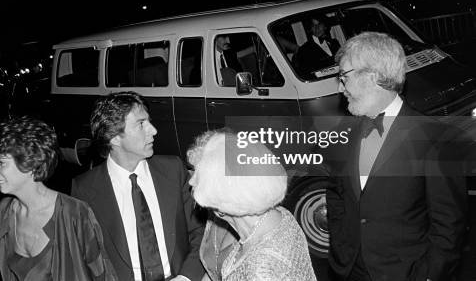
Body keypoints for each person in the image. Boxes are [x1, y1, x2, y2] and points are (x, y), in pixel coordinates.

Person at [327, 32, 467, 281]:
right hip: (348, 270)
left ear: (372, 76)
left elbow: (449, 228)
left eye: (344, 77)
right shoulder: (343, 132)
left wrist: (427, 276)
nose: (340, 87)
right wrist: (339, 247)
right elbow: (336, 194)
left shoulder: (435, 138)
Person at [71, 91, 205, 281]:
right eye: (141, 124)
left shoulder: (173, 170)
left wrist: (186, 277)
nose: (154, 130)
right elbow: (86, 257)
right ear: (114, 138)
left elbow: (199, 233)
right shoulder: (85, 189)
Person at [0, 116, 117, 281]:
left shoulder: (75, 213)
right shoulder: (6, 210)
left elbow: (103, 275)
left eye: (1, 163)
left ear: (31, 162)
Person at [187, 129, 317, 281]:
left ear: (224, 199)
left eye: (199, 175)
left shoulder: (260, 271)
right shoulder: (277, 216)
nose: (191, 181)